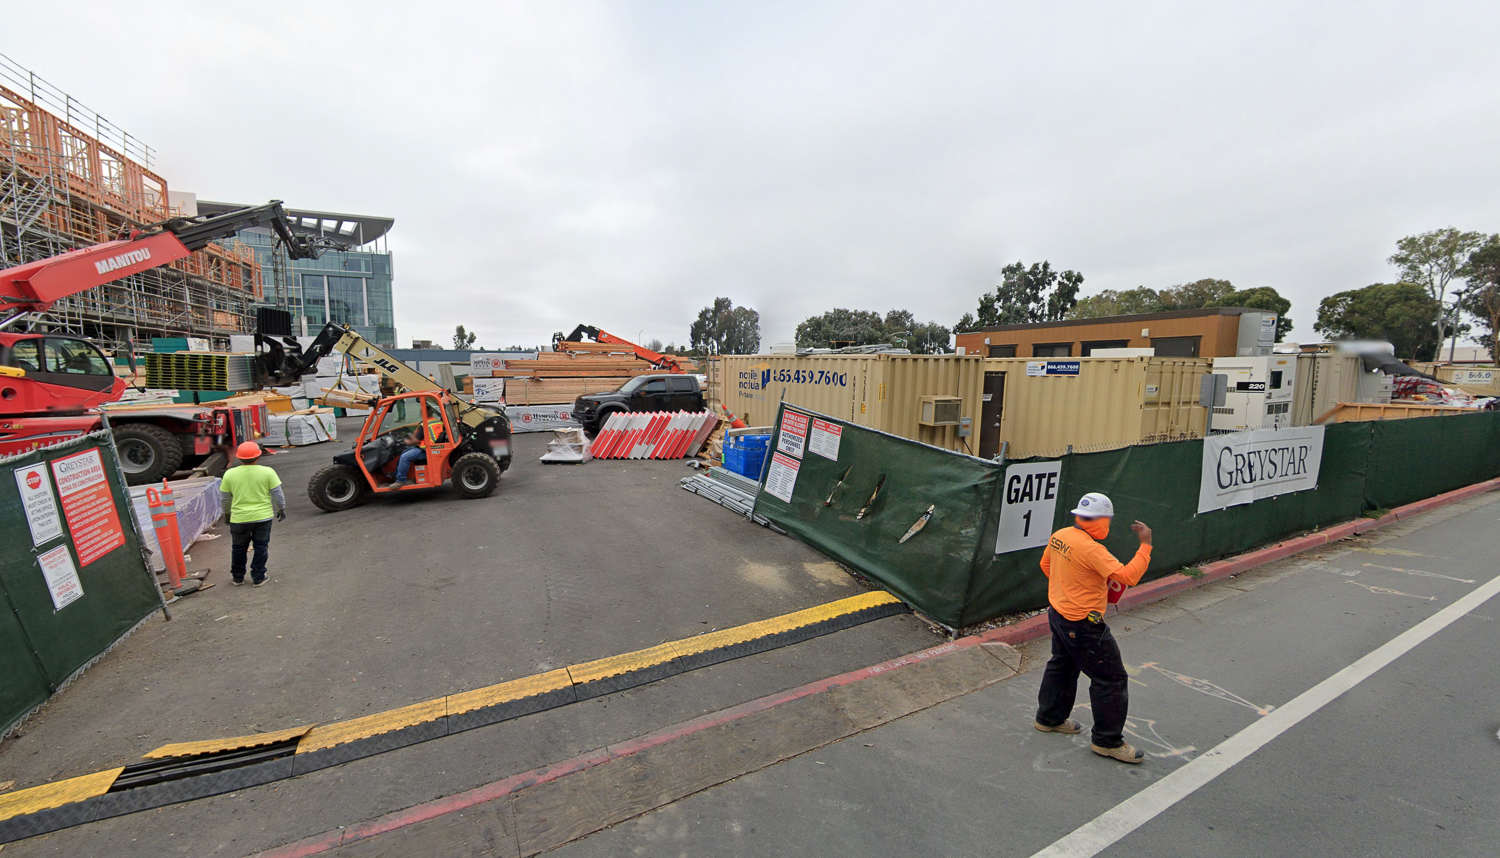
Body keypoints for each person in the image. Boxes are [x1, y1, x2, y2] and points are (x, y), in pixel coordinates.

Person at [1033, 492, 1153, 763]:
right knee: (1111, 679)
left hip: (1059, 615)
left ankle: (1049, 718)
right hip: (1083, 625)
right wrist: (1145, 545)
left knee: (1061, 665)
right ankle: (1107, 741)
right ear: (1100, 520)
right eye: (1106, 520)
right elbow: (1128, 576)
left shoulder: (1061, 536)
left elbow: (1045, 565)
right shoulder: (1091, 549)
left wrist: (1069, 587)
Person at [219, 441, 286, 587]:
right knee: (261, 546)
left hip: (239, 519)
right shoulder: (267, 472)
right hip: (263, 518)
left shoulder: (229, 474)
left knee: (238, 548)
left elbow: (225, 498)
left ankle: (237, 578)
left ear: (239, 457)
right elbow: (277, 494)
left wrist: (227, 514)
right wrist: (281, 508)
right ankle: (258, 577)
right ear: (258, 456)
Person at [391, 410, 445, 488]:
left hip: (426, 450)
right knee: (403, 452)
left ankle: (401, 480)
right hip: (432, 447)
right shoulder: (437, 422)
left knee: (405, 457)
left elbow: (415, 440)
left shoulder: (425, 425)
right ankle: (396, 475)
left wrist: (405, 441)